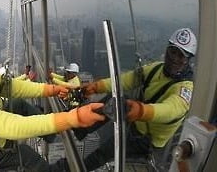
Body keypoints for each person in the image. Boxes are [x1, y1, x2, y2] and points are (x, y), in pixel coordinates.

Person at [0, 34, 105, 172]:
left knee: (19, 104)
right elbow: (12, 126)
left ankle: (54, 135)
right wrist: (69, 119)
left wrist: (51, 89)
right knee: (28, 157)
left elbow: (14, 86)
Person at [79, 28, 197, 171]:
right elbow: (127, 79)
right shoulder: (157, 68)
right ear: (167, 50)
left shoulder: (185, 89)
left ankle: (72, 169)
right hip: (137, 127)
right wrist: (97, 86)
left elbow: (170, 110)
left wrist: (142, 111)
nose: (174, 58)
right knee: (116, 99)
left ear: (188, 60)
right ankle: (80, 128)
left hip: (148, 143)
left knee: (104, 152)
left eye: (181, 55)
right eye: (173, 51)